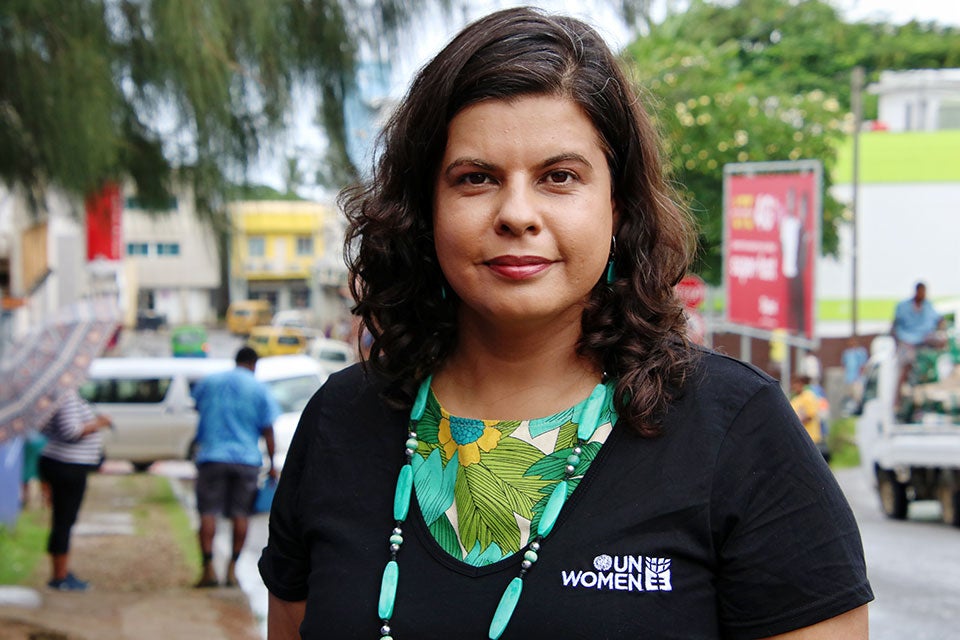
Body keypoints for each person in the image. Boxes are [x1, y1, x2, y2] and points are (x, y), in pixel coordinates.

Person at [259, 8, 872, 639]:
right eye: (476, 178)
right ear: (424, 209)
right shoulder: (341, 421)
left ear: (618, 206)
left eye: (559, 177)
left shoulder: (739, 431)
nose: (517, 214)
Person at [192, 346, 280, 588]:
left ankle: (208, 568)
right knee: (241, 514)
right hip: (246, 460)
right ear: (253, 364)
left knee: (208, 512)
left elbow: (197, 406)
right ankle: (232, 570)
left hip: (211, 456)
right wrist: (272, 464)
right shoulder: (259, 388)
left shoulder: (210, 382)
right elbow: (268, 429)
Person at [37, 389, 113, 591]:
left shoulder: (61, 396)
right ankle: (59, 575)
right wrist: (99, 423)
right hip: (67, 465)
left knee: (64, 519)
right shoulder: (67, 397)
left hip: (63, 464)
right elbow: (71, 431)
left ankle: (61, 571)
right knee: (64, 519)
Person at [892, 282, 943, 401]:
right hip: (907, 341)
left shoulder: (928, 306)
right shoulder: (904, 306)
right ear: (917, 292)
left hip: (924, 340)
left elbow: (938, 319)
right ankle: (897, 399)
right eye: (921, 292)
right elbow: (895, 324)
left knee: (942, 343)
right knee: (905, 366)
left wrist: (940, 330)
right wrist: (897, 342)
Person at [789, 374, 829, 462]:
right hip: (800, 436)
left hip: (810, 436)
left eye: (795, 384)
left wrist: (796, 423)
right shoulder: (796, 398)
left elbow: (811, 415)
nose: (793, 387)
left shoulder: (808, 396)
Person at [841, 336, 870, 410]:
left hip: (858, 378)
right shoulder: (847, 353)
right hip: (849, 378)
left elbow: (863, 366)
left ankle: (859, 409)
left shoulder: (861, 352)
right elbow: (844, 365)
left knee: (858, 396)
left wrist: (860, 376)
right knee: (850, 395)